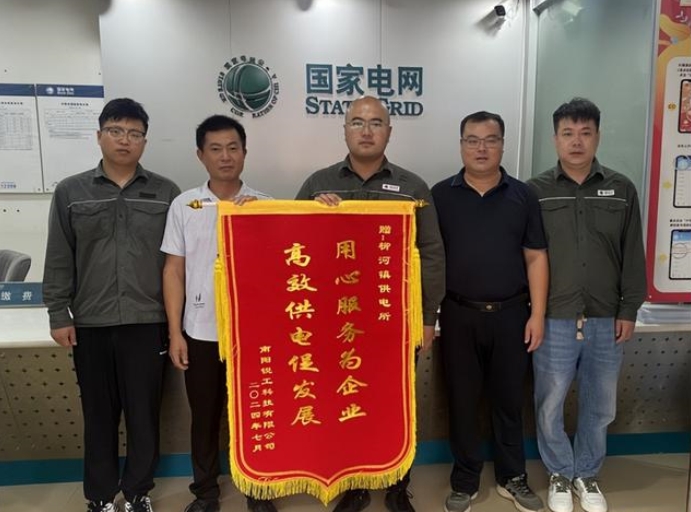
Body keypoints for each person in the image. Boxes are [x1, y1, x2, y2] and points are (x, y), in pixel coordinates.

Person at [295, 96, 446, 512]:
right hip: (337, 325)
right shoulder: (318, 184)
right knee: (345, 403)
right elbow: (293, 244)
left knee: (396, 406)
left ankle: (398, 485)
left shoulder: (413, 187)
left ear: (389, 132)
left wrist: (428, 318)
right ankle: (355, 485)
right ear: (344, 130)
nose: (366, 131)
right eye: (357, 122)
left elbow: (431, 253)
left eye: (376, 123)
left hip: (394, 322)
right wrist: (314, 216)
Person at [43, 98, 180, 512]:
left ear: (144, 142)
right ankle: (100, 496)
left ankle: (137, 492)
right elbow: (60, 255)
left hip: (148, 322)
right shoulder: (71, 192)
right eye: (116, 131)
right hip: (91, 323)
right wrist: (58, 312)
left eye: (135, 134)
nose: (125, 140)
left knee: (144, 415)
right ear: (99, 135)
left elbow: (179, 262)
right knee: (99, 416)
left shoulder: (166, 192)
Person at [527, 98, 646, 512]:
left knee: (600, 404)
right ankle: (560, 471)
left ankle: (587, 474)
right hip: (554, 318)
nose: (576, 142)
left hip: (606, 318)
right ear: (555, 138)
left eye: (585, 133)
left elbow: (633, 254)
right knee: (550, 401)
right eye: (568, 133)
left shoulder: (622, 189)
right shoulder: (535, 191)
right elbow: (527, 256)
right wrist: (533, 312)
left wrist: (629, 309)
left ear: (597, 136)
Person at [431, 111, 548, 512]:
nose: (481, 148)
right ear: (461, 145)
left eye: (490, 139)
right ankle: (464, 480)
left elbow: (536, 256)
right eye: (472, 140)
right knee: (462, 401)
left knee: (508, 400)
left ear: (502, 144)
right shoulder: (440, 196)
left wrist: (537, 315)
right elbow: (427, 257)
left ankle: (512, 477)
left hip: (512, 314)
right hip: (458, 315)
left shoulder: (523, 196)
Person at [161, 115, 277, 512]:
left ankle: (259, 490)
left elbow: (283, 269)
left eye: (233, 148)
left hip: (253, 335)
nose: (225, 156)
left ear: (244, 153)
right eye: (215, 149)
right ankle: (206, 492)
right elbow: (173, 270)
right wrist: (176, 333)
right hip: (201, 331)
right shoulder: (184, 205)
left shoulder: (266, 205)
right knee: (205, 415)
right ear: (200, 155)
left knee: (256, 414)